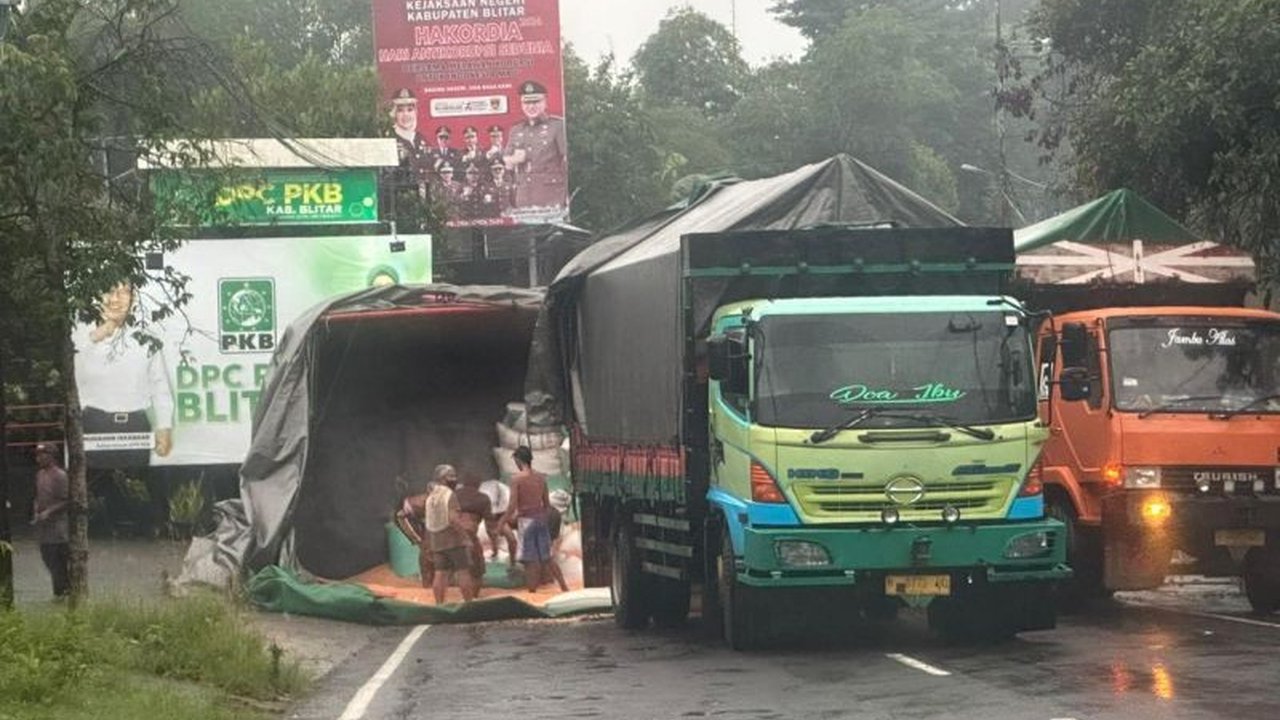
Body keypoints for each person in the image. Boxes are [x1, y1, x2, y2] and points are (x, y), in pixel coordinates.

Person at [73, 281, 175, 469]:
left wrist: (164, 427)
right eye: (110, 291)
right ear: (98, 296)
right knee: (97, 489)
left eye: (124, 292)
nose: (115, 299)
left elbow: (160, 387)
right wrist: (96, 336)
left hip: (135, 427)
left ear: (133, 299)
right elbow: (70, 376)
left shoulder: (145, 338)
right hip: (94, 426)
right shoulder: (79, 335)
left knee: (137, 490)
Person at [503, 446, 569, 593]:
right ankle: (564, 587)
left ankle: (532, 592)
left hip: (527, 521)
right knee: (547, 557)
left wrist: (503, 521)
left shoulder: (516, 479)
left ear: (518, 460)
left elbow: (512, 505)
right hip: (541, 519)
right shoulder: (541, 478)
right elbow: (546, 504)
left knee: (530, 560)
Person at [503, 80, 568, 210]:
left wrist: (566, 194)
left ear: (545, 102)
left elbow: (567, 161)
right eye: (527, 102)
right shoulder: (516, 129)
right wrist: (513, 160)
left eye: (536, 102)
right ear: (522, 104)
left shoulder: (558, 126)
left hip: (551, 195)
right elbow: (506, 159)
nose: (531, 107)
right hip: (523, 196)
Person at [424, 464, 478, 603]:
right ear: (442, 479)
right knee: (463, 571)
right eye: (451, 476)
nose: (454, 479)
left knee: (440, 573)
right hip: (453, 540)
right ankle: (469, 604)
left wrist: (429, 543)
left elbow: (429, 521)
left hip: (437, 540)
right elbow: (453, 519)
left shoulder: (431, 496)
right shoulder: (449, 495)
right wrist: (465, 537)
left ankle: (440, 604)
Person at [31, 443, 70, 599]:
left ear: (51, 456)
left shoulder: (60, 475)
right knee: (47, 558)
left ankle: (63, 593)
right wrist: (36, 510)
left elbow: (67, 500)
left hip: (58, 527)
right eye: (37, 455)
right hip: (43, 526)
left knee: (58, 561)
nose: (38, 458)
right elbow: (37, 496)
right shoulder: (40, 474)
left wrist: (49, 511)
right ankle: (61, 591)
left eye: (42, 455)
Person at [454, 470, 493, 586]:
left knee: (442, 570)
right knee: (477, 569)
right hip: (468, 535)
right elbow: (490, 526)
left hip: (448, 536)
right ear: (479, 484)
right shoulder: (482, 498)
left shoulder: (453, 495)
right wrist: (494, 545)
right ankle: (473, 596)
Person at [388, 87, 429, 187]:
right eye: (400, 110)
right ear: (394, 114)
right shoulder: (390, 139)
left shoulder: (421, 139)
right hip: (400, 192)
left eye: (410, 110)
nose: (406, 115)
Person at [480, 477, 518, 567]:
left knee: (511, 540)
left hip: (499, 516)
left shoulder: (504, 492)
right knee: (495, 537)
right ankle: (495, 552)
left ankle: (513, 562)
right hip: (491, 516)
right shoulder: (486, 491)